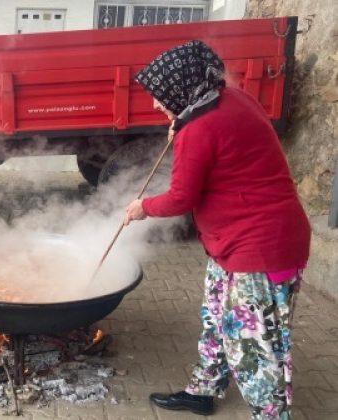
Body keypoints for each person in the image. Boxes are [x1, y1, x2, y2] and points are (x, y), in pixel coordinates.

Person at [123, 41, 310, 419]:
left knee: (254, 346)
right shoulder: (231, 100)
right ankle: (205, 389)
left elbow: (180, 198)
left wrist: (142, 207)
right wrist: (184, 124)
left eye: (160, 97)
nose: (157, 105)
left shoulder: (200, 128)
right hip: (234, 244)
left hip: (259, 248)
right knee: (215, 317)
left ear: (181, 88)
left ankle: (272, 415)